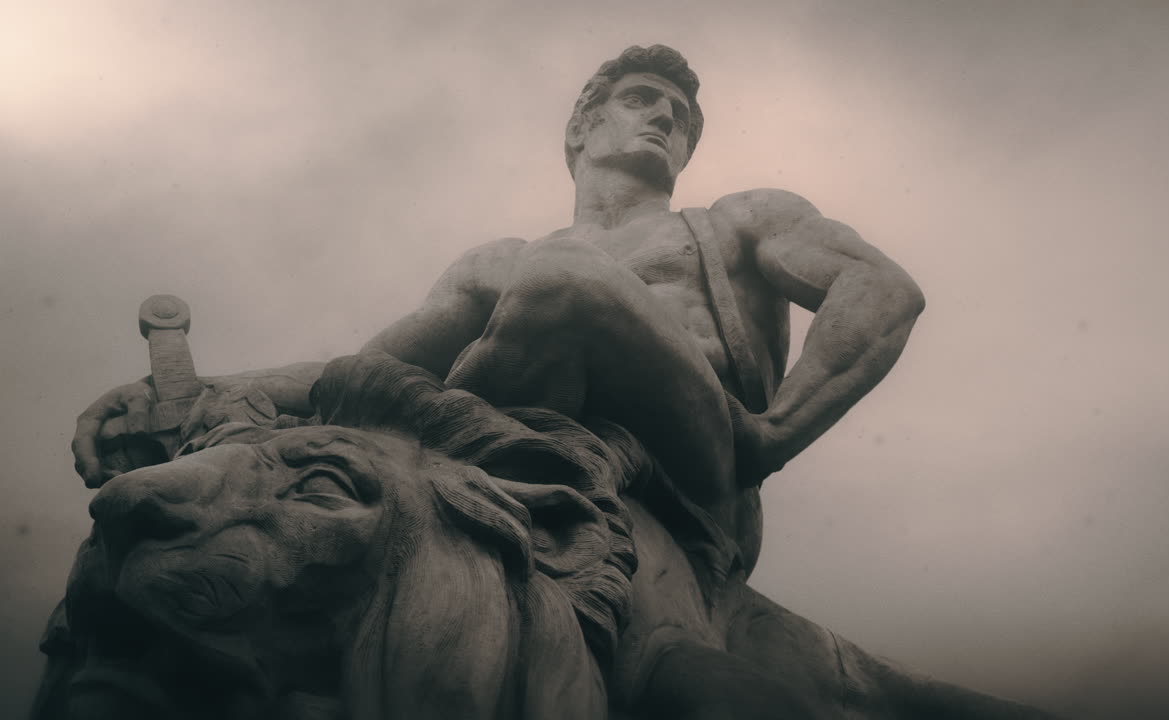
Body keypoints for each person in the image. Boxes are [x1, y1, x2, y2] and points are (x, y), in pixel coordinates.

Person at [72, 44, 923, 577]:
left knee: (559, 282)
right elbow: (363, 376)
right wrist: (214, 390)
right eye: (643, 99)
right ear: (582, 128)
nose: (669, 115)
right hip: (513, 443)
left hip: (689, 463)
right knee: (376, 399)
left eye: (683, 116)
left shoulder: (739, 221)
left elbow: (880, 291)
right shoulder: (497, 267)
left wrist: (770, 440)